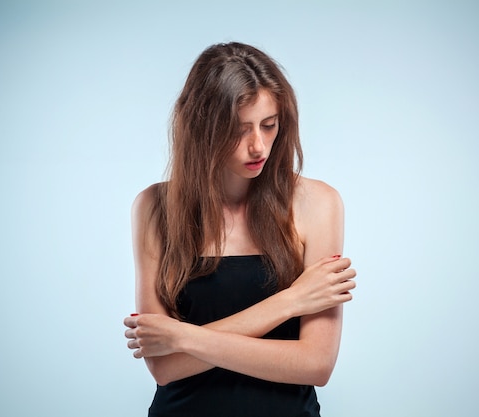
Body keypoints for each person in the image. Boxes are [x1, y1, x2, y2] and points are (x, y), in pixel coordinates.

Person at [123, 42, 357, 417]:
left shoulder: (318, 204)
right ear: (202, 129)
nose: (258, 146)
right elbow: (164, 368)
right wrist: (290, 302)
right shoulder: (153, 208)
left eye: (269, 125)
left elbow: (316, 364)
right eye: (239, 129)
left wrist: (184, 338)